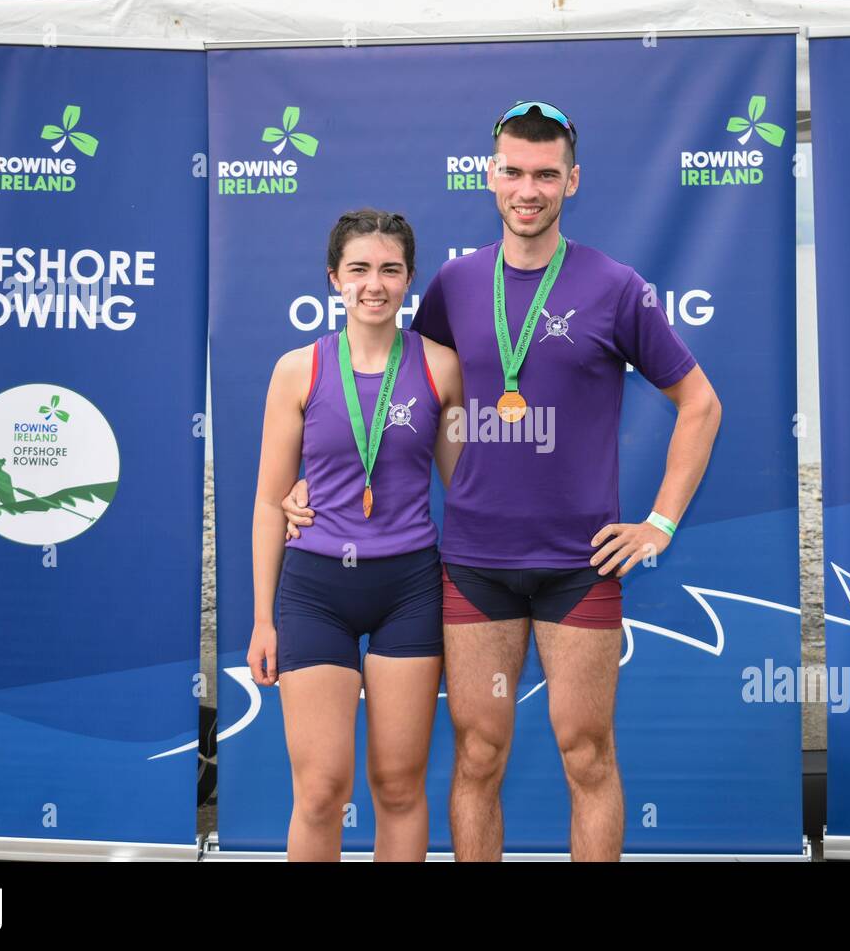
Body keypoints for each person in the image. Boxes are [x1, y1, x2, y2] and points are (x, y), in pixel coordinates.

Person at [285, 103, 722, 861]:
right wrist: (306, 489)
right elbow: (399, 398)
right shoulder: (454, 284)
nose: (529, 189)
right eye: (514, 171)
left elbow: (700, 403)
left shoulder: (616, 287)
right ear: (492, 178)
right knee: (478, 758)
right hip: (475, 564)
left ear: (571, 181)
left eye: (546, 174)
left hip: (579, 569)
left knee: (587, 756)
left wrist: (661, 523)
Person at [248, 208, 463, 861]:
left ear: (409, 280)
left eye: (390, 269)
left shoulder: (442, 368)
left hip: (410, 591)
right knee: (319, 790)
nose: (375, 283)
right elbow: (266, 502)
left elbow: (468, 491)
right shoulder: (297, 369)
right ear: (333, 279)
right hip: (315, 591)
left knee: (398, 787)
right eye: (359, 269)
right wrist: (263, 619)